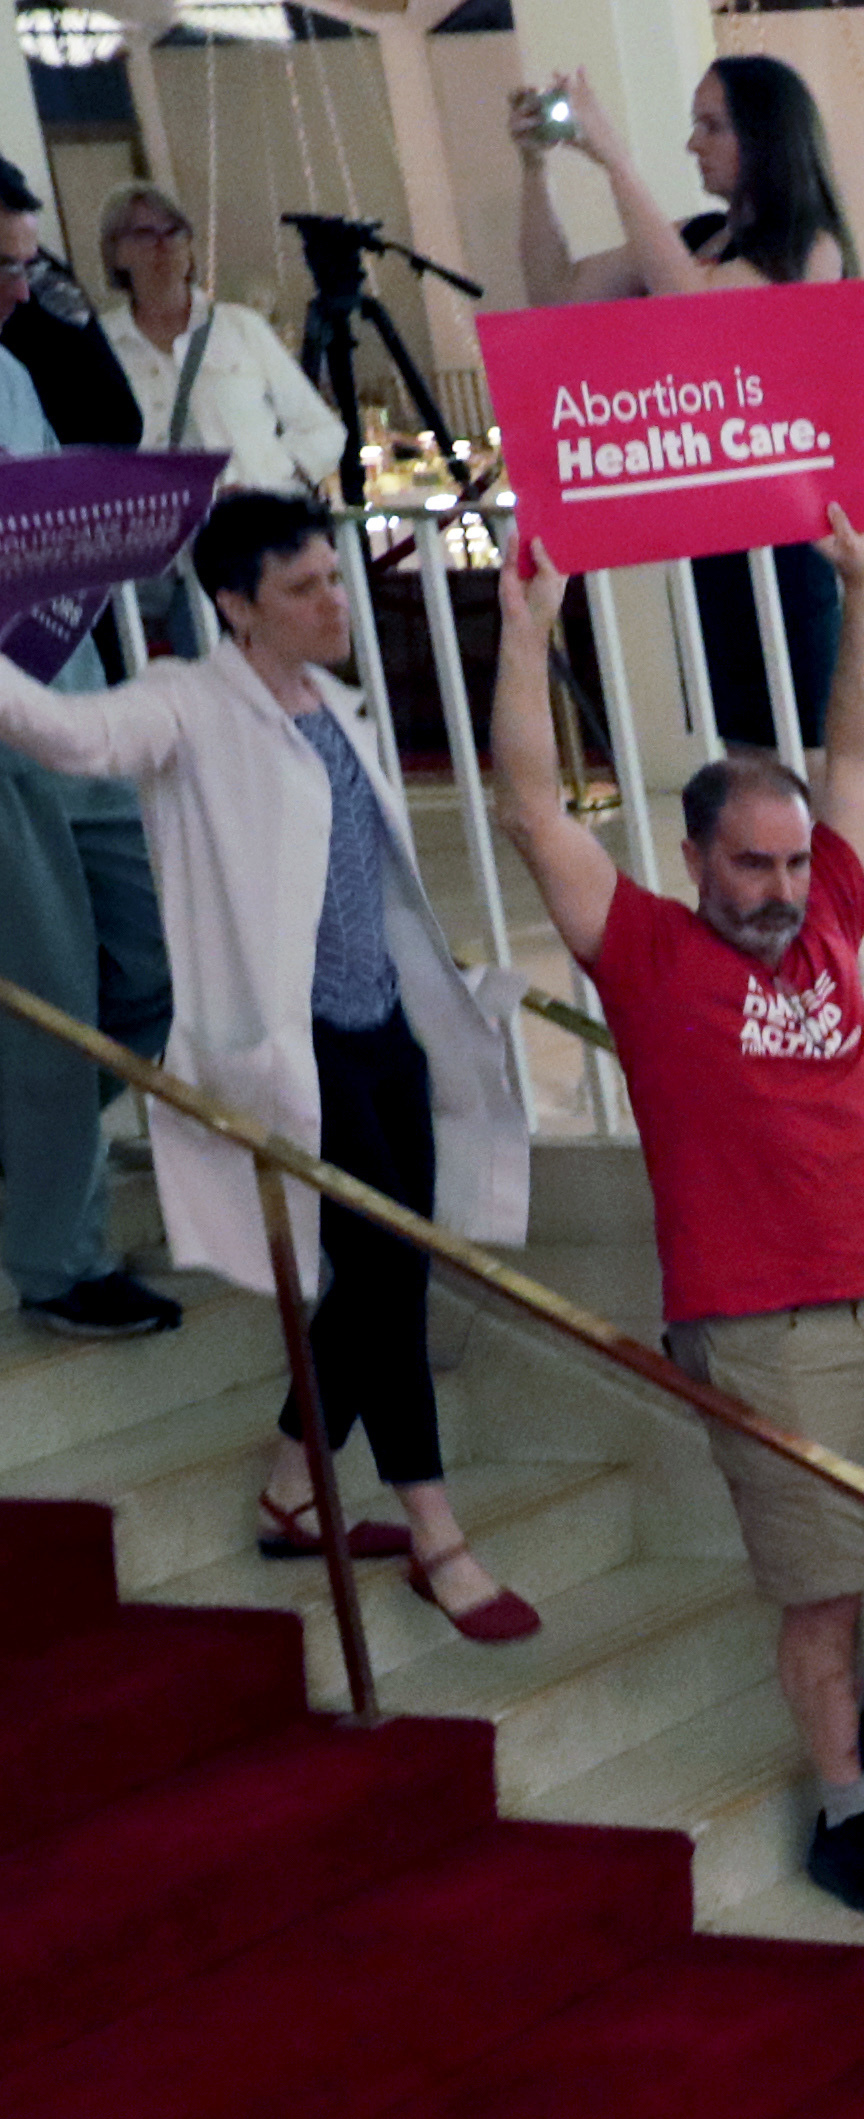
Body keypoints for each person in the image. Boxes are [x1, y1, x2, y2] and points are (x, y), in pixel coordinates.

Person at [493, 515, 864, 1915]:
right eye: (752, 865)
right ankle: (845, 1800)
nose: (781, 891)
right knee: (820, 1592)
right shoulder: (643, 954)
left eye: (794, 865)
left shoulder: (824, 920)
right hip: (765, 1335)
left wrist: (861, 585)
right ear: (694, 857)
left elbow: (860, 751)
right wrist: (522, 625)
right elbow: (529, 811)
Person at [0, 488, 530, 1632]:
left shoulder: (336, 704)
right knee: (386, 1276)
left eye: (334, 579)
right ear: (237, 607)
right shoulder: (183, 704)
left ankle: (295, 1491)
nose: (335, 602)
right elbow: (68, 735)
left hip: (383, 1029)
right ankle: (435, 1529)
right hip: (300, 1049)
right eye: (303, 589)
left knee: (392, 1263)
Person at [507, 54, 864, 1085]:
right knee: (764, 769)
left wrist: (611, 153)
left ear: (763, 135)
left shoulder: (801, 246)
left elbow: (701, 321)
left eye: (711, 125)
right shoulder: (690, 237)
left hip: (793, 546)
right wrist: (538, 172)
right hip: (718, 552)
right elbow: (553, 294)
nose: (695, 146)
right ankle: (814, 987)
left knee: (836, 773)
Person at [0, 346, 172, 1344]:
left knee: (163, 951)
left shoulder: (15, 369)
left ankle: (27, 1138)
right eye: (5, 266)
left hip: (67, 701)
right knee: (53, 1001)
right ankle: (59, 1262)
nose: (23, 293)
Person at [97, 187, 344, 503]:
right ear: (117, 252)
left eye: (174, 232)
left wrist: (269, 481)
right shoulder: (100, 345)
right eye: (145, 234)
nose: (163, 245)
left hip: (255, 525)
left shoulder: (239, 326)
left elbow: (322, 430)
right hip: (161, 534)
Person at [0, 162, 142, 452]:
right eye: (5, 268)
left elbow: (118, 425)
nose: (24, 294)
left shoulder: (11, 377)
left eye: (28, 268)